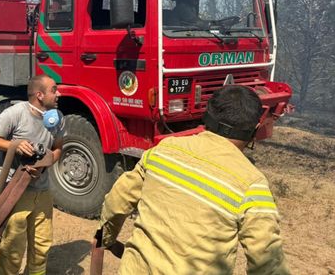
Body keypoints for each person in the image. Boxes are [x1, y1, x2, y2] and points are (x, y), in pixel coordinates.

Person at [96, 85, 290, 274]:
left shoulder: (164, 150)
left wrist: (105, 239)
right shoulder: (252, 184)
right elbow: (268, 264)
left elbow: (117, 200)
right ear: (255, 129)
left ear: (206, 116)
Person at [0, 74, 64, 275]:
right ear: (39, 95)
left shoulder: (56, 118)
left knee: (41, 244)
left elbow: (58, 147)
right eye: (54, 90)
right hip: (15, 191)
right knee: (13, 247)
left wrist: (47, 161)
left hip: (42, 190)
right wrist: (15, 146)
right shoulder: (15, 114)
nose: (59, 93)